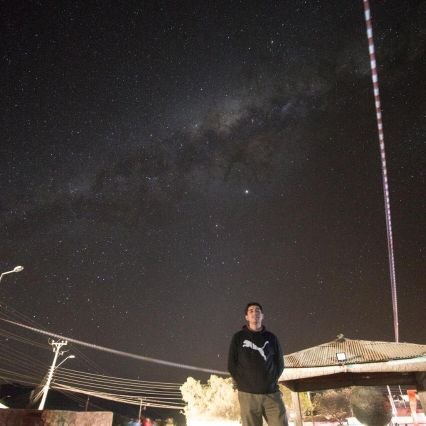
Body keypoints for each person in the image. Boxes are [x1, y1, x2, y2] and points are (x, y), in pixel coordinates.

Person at [228, 302, 288, 426]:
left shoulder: (272, 338)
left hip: (271, 394)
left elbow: (279, 363)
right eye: (251, 311)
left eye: (258, 310)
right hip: (248, 395)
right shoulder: (238, 338)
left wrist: (271, 380)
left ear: (262, 315)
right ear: (246, 317)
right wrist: (243, 383)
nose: (254, 312)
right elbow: (231, 364)